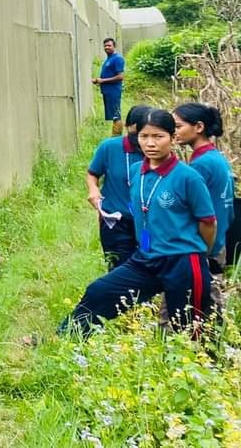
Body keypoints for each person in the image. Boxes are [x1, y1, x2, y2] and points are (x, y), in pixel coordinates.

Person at [59, 109, 216, 337]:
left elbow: (208, 222)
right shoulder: (136, 172)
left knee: (188, 328)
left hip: (182, 261)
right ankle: (64, 340)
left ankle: (200, 366)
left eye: (158, 136)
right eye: (145, 136)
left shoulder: (188, 177)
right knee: (99, 291)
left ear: (173, 139)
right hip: (146, 258)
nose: (150, 143)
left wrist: (199, 252)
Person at [173, 102, 235, 300]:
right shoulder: (217, 158)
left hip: (203, 245)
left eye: (178, 126)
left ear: (198, 127)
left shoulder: (200, 165)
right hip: (219, 241)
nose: (174, 132)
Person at [85, 104, 152, 269]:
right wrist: (93, 189)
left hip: (147, 224)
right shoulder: (109, 147)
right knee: (119, 268)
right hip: (115, 221)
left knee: (147, 264)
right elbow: (93, 173)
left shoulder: (156, 152)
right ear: (128, 128)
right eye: (137, 135)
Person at [92, 38, 126, 135]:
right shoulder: (109, 59)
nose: (107, 47)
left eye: (109, 45)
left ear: (114, 46)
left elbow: (120, 76)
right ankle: (115, 136)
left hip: (113, 91)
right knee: (113, 115)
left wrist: (103, 80)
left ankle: (116, 137)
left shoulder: (117, 59)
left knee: (116, 115)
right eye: (105, 46)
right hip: (107, 91)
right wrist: (98, 80)